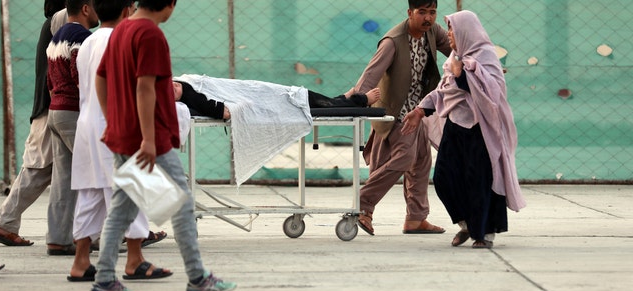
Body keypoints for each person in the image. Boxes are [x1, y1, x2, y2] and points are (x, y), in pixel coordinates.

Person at [90, 0, 236, 291]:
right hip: (149, 140)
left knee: (122, 208)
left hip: (123, 135)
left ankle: (104, 279)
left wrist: (111, 120)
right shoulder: (150, 34)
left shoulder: (121, 30)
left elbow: (100, 78)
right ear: (169, 4)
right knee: (180, 205)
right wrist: (147, 139)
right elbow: (145, 88)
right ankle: (197, 277)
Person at [402, 10, 526, 248]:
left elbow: (493, 93)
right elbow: (444, 91)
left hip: (481, 130)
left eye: (452, 29)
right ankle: (466, 225)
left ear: (466, 31)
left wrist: (464, 75)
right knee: (444, 179)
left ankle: (484, 234)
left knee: (479, 181)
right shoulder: (454, 58)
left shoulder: (486, 56)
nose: (449, 34)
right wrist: (421, 110)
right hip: (456, 127)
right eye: (448, 28)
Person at [68, 0, 172, 282]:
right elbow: (136, 86)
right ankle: (135, 260)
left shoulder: (87, 43)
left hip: (87, 125)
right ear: (127, 10)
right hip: (112, 123)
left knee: (90, 195)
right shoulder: (122, 38)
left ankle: (81, 262)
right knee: (128, 190)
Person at [352, 0, 451, 236]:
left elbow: (456, 50)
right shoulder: (393, 41)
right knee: (403, 159)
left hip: (419, 112)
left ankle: (416, 219)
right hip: (394, 113)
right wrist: (357, 100)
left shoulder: (432, 32)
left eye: (432, 12)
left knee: (421, 163)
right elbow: (371, 73)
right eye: (422, 12)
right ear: (410, 13)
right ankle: (360, 204)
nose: (428, 18)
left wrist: (482, 62)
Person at [0, 0, 66, 248]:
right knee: (39, 168)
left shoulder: (53, 23)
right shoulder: (63, 19)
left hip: (49, 108)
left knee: (42, 169)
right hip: (54, 109)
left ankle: (6, 222)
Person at [44, 0, 99, 255]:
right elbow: (80, 77)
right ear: (86, 9)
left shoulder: (57, 37)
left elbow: (50, 80)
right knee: (96, 174)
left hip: (55, 111)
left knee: (63, 180)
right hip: (72, 112)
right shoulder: (81, 35)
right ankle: (96, 236)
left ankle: (58, 239)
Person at [172, 80, 381, 119]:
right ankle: (357, 101)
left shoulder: (187, 86)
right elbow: (224, 112)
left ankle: (341, 100)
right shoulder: (191, 96)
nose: (172, 86)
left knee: (301, 97)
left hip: (257, 91)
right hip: (261, 98)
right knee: (300, 99)